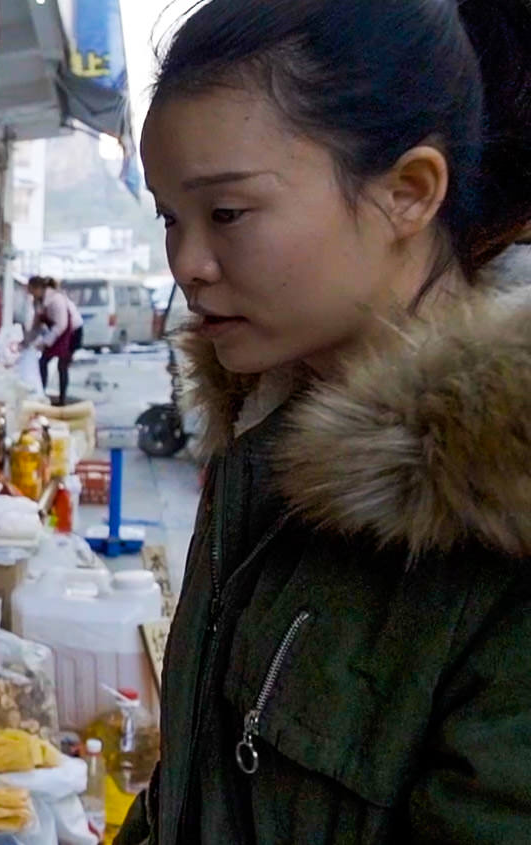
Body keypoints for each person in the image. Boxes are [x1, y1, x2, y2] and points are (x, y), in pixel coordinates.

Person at [120, 0, 531, 841]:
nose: (186, 266)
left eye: (226, 213)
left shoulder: (503, 523)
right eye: (170, 217)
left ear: (407, 193)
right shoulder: (260, 440)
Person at [25, 276, 81, 404]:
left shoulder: (56, 300)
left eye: (31, 290)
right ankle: (41, 393)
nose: (30, 294)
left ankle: (62, 399)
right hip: (57, 332)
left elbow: (62, 324)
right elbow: (36, 325)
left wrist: (45, 341)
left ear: (39, 288)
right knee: (43, 362)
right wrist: (28, 341)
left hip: (70, 332)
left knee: (62, 365)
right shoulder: (38, 302)